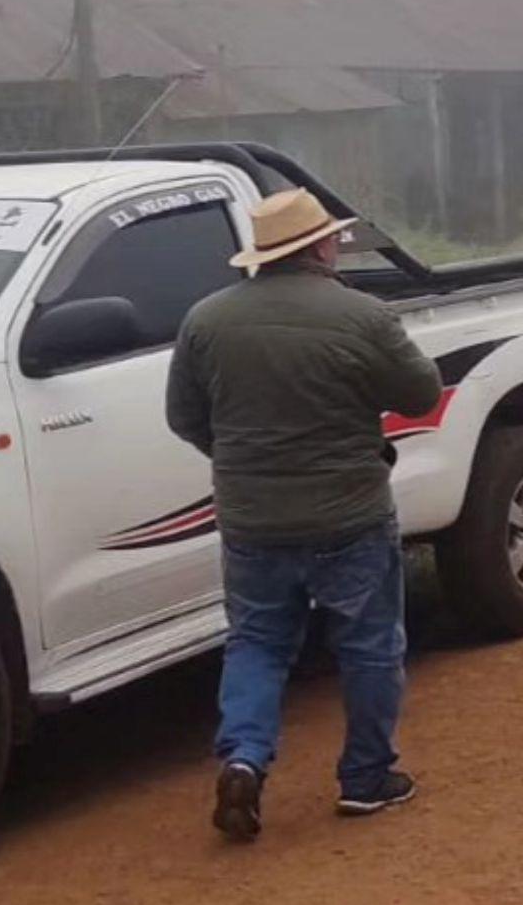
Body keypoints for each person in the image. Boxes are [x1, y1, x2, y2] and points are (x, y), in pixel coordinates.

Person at [167, 188, 442, 840]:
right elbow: (420, 392)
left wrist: (237, 459)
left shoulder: (205, 320)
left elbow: (184, 417)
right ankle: (365, 779)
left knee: (257, 644)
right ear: (320, 246)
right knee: (369, 646)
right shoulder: (360, 316)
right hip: (349, 512)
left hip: (252, 519)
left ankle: (243, 758)